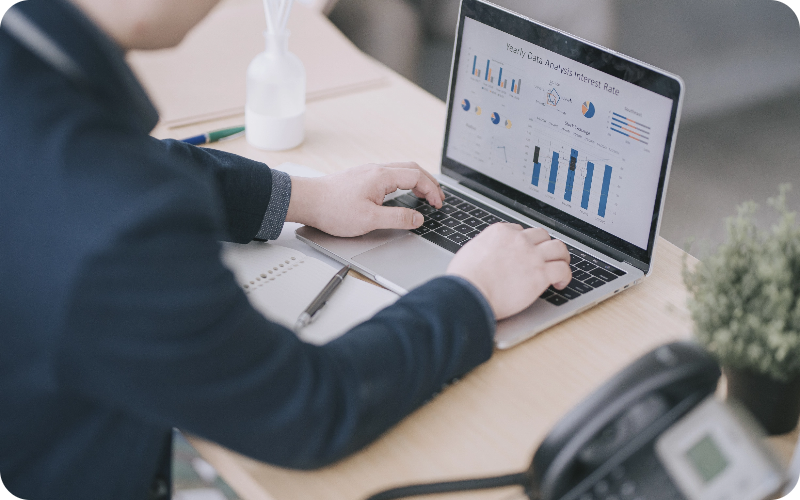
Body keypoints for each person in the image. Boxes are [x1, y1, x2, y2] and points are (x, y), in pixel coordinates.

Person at [0, 1, 572, 499]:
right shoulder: (114, 220)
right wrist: (471, 293)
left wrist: (308, 197)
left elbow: (137, 157)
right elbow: (307, 409)